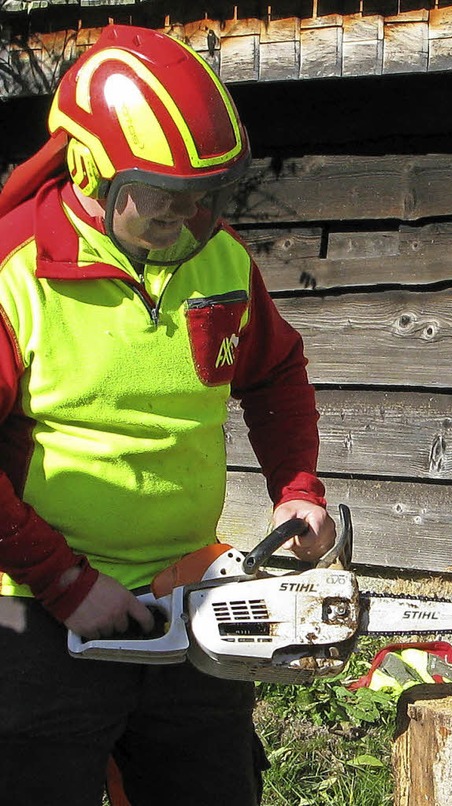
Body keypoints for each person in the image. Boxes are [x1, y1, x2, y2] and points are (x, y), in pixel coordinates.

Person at [0, 24, 335, 806]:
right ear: (90, 171)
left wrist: (297, 487)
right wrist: (65, 583)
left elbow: (275, 371)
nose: (187, 223)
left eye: (205, 200)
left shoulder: (218, 259)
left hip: (191, 604)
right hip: (37, 619)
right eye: (164, 202)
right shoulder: (17, 274)